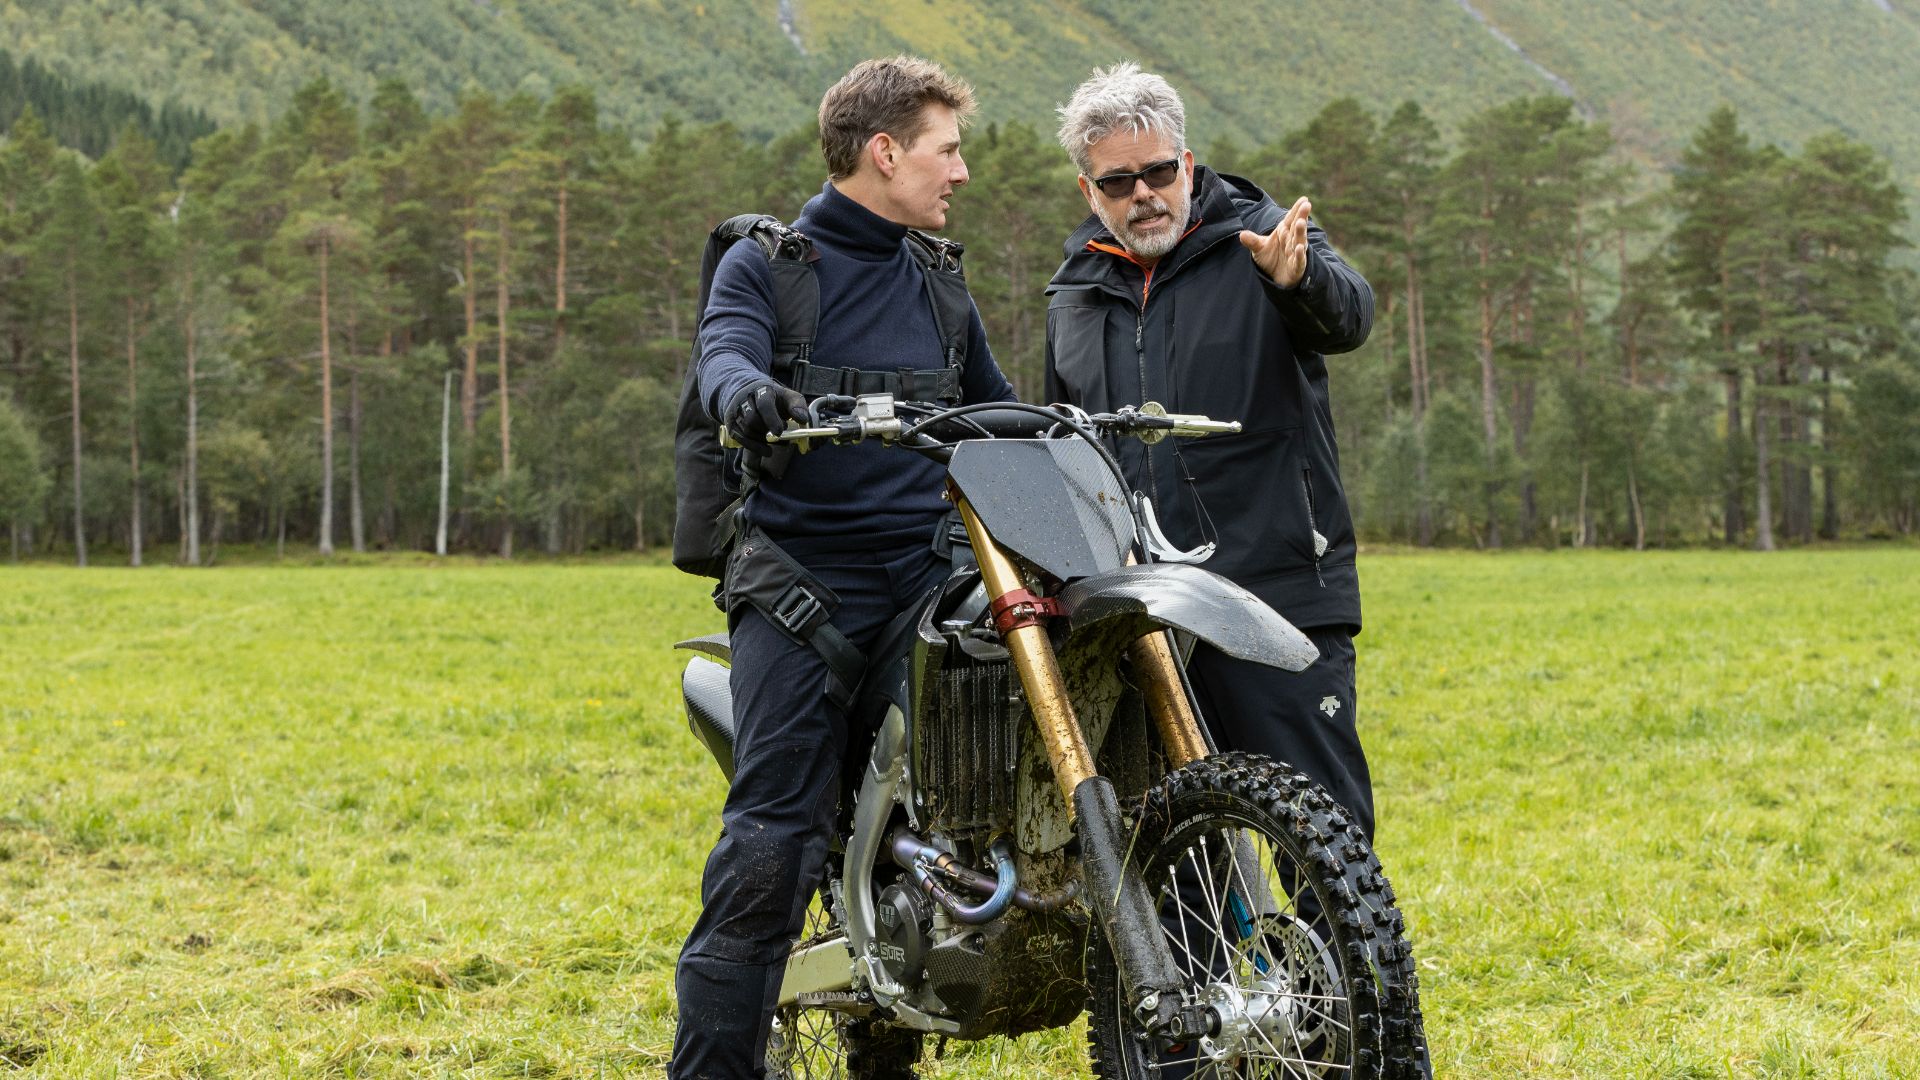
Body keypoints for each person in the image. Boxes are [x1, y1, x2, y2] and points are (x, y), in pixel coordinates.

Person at [671, 56, 1015, 1079]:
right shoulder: (769, 267)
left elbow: (996, 407)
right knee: (770, 848)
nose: (961, 173)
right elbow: (724, 353)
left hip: (929, 579)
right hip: (802, 593)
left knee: (967, 802)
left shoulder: (940, 283)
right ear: (886, 152)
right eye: (948, 151)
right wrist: (746, 395)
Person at [1046, 61, 1378, 846]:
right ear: (1089, 191)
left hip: (1275, 591)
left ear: (1188, 165)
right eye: (1119, 181)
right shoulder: (1073, 290)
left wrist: (1297, 283)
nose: (1144, 194)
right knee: (1170, 848)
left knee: (1320, 837)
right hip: (1137, 614)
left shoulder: (1263, 237)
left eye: (1159, 172)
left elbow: (1350, 317)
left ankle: (1335, 939)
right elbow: (1065, 439)